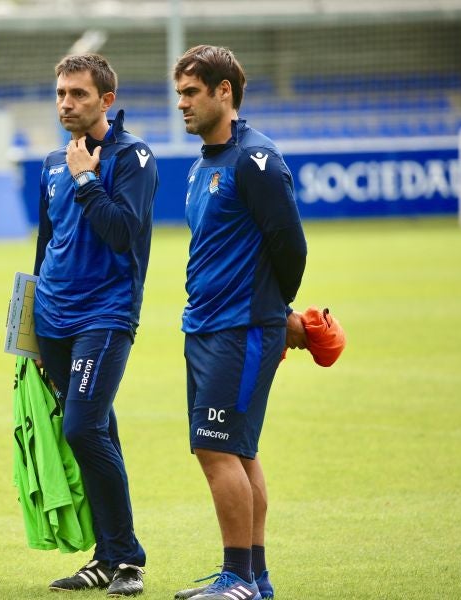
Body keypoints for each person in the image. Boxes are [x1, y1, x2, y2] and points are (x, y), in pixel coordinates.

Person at [170, 45, 308, 600]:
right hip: (204, 325)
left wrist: (279, 313)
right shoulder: (208, 160)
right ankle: (255, 577)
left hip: (241, 327)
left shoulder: (257, 159)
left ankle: (238, 579)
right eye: (179, 93)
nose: (181, 104)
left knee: (216, 448)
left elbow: (289, 246)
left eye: (191, 93)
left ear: (223, 91)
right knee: (237, 450)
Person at [32, 53, 157, 597]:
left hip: (105, 316)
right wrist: (28, 331)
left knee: (82, 427)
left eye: (79, 94)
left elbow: (122, 232)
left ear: (106, 99)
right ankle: (109, 557)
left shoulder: (132, 157)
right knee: (97, 429)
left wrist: (87, 180)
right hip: (53, 319)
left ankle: (127, 557)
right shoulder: (52, 162)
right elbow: (46, 247)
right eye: (61, 93)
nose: (66, 103)